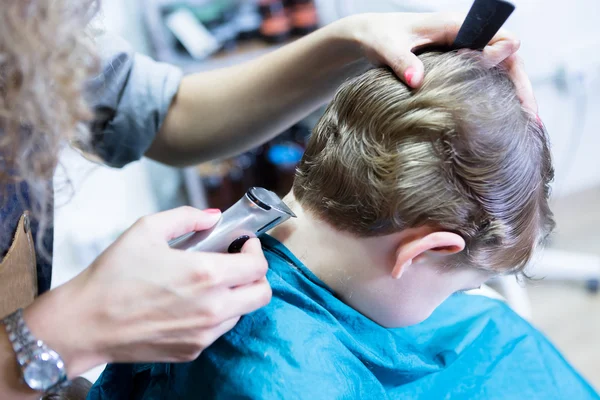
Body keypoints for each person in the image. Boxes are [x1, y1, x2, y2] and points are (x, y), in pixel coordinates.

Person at [0, 0, 536, 398]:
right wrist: (60, 335)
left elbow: (158, 112)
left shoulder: (29, 21)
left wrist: (348, 41)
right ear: (424, 251)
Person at [89, 51, 599, 399]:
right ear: (421, 252)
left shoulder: (227, 257)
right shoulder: (277, 379)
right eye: (459, 289)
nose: (455, 306)